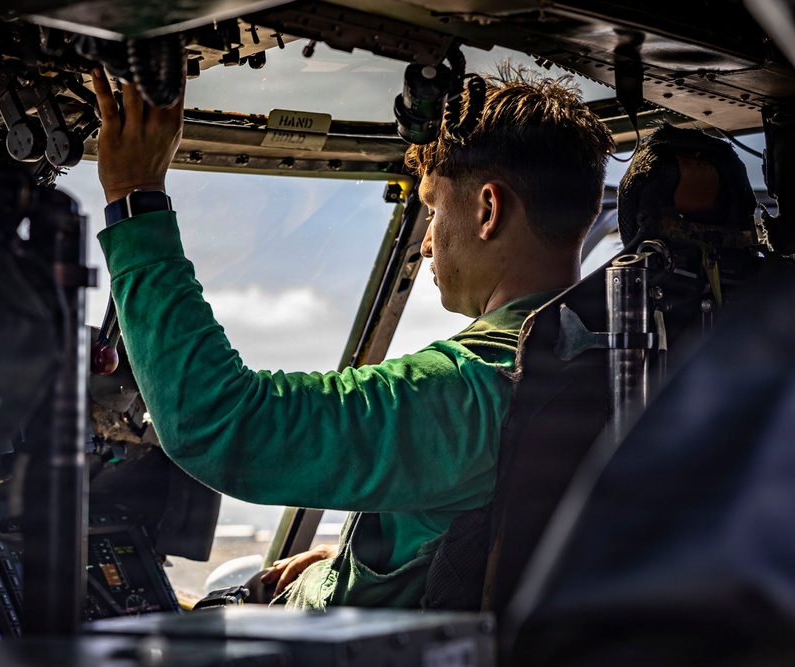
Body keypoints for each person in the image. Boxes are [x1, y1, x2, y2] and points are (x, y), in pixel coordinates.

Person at [90, 63, 615, 610]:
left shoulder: (470, 391)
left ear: (488, 210)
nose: (427, 243)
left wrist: (134, 196)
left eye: (433, 209)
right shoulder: (603, 362)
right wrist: (344, 559)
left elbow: (221, 421)